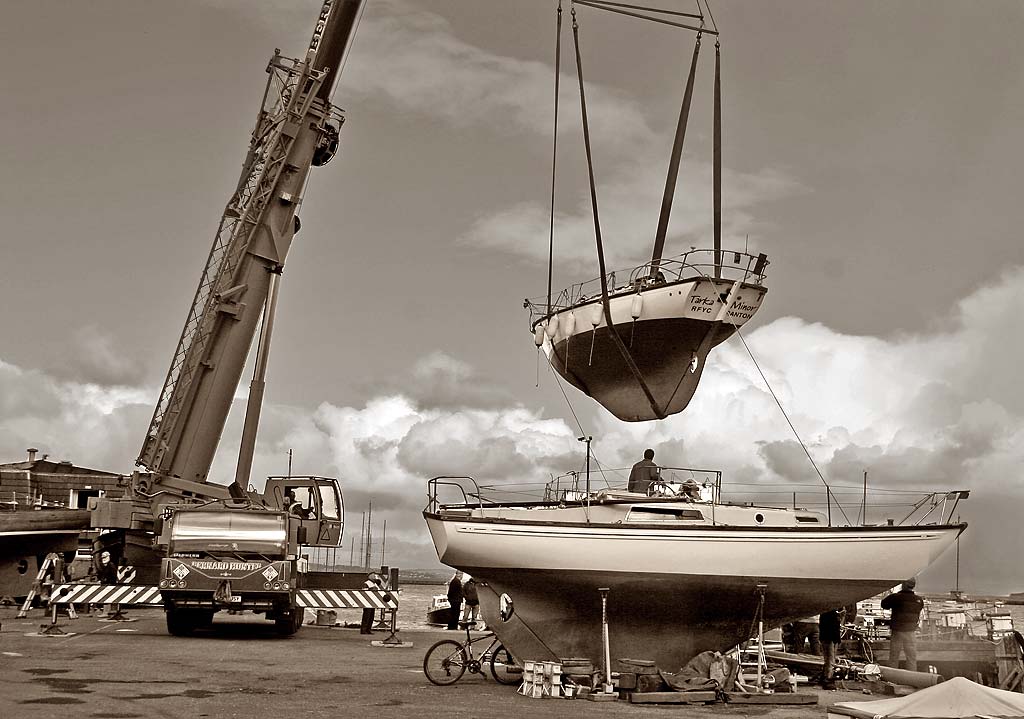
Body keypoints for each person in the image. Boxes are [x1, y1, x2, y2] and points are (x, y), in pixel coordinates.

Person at [880, 578, 925, 671]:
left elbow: (884, 605)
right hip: (911, 632)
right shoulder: (919, 600)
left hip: (898, 631)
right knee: (911, 657)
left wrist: (887, 594)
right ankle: (912, 678)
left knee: (894, 656)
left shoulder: (896, 597)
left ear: (903, 584)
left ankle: (893, 679)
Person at [819, 607, 844, 689]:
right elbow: (834, 627)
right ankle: (828, 679)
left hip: (828, 637)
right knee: (831, 660)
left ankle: (824, 676)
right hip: (830, 638)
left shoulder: (825, 613)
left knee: (828, 659)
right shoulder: (831, 614)